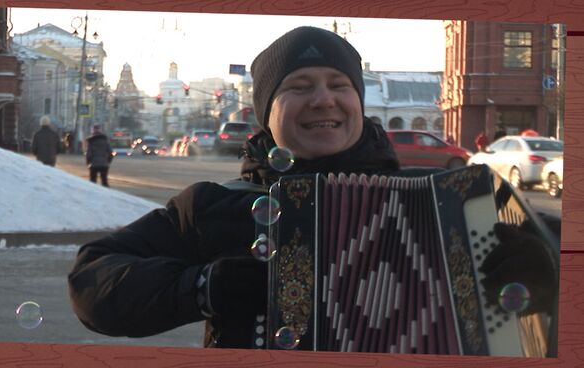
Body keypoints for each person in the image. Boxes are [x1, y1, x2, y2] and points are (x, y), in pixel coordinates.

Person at [67, 26, 558, 351]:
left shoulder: (451, 203)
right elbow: (93, 280)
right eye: (299, 87)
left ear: (358, 101)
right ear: (267, 112)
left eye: (339, 85)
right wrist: (202, 287)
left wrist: (548, 271)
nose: (323, 99)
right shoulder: (217, 206)